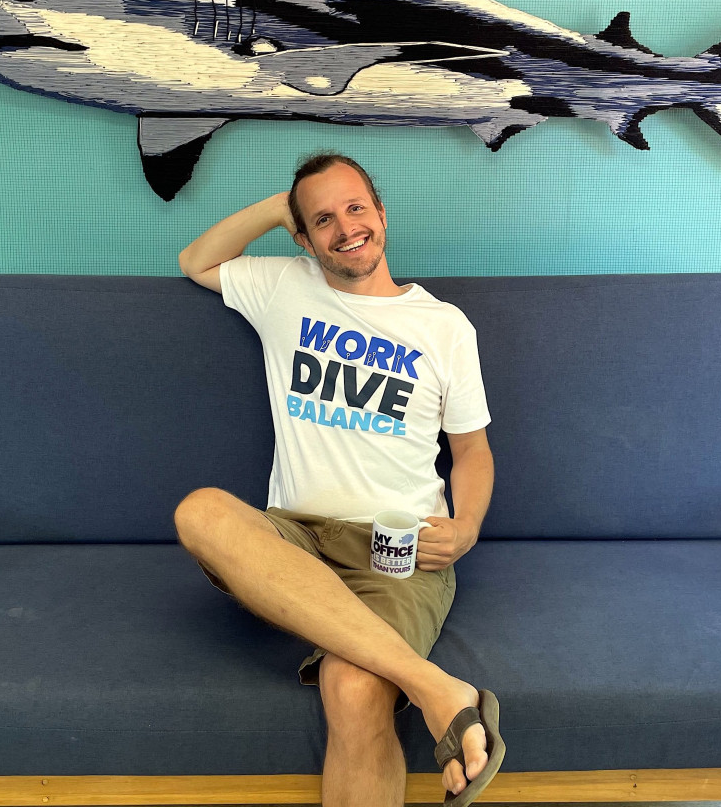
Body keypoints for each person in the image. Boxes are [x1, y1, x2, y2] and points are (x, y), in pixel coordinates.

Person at [174, 153, 504, 807]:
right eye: (321, 219)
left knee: (354, 688)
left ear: (382, 214)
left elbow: (472, 452)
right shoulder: (285, 287)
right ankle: (440, 689)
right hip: (292, 537)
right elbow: (197, 261)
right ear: (302, 237)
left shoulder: (443, 328)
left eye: (356, 207)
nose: (345, 227)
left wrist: (466, 528)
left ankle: (420, 683)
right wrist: (282, 206)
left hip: (396, 549)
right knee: (200, 513)